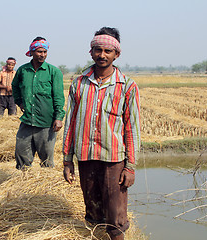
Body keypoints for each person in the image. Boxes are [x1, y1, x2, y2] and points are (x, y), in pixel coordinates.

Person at [62, 27, 141, 240]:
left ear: (117, 54)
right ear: (91, 52)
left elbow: (132, 128)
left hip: (113, 160)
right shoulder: (79, 83)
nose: (102, 55)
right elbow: (70, 123)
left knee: (116, 219)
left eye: (108, 51)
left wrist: (130, 166)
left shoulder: (127, 86)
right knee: (93, 213)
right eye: (98, 50)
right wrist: (67, 160)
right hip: (86, 158)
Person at [12, 37, 65, 169]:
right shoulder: (23, 71)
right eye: (39, 51)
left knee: (46, 160)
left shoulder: (54, 72)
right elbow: (15, 87)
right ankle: (23, 182)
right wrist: (20, 103)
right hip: (27, 121)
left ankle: (45, 185)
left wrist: (59, 118)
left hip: (46, 123)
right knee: (21, 154)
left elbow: (58, 97)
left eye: (44, 52)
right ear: (32, 51)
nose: (42, 55)